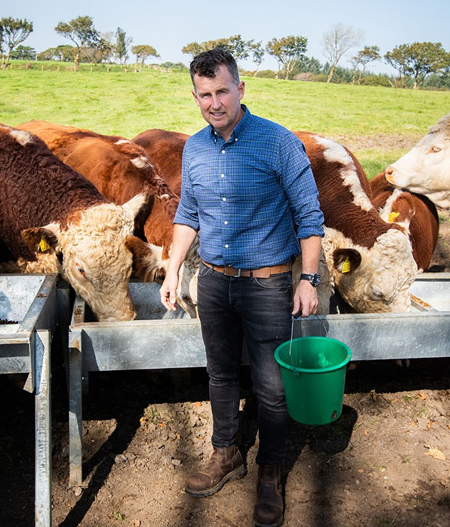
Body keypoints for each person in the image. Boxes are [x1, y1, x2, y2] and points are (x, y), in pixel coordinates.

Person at [159, 48, 325, 527]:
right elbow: (188, 214)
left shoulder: (278, 142)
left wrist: (308, 278)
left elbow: (309, 215)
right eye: (205, 94)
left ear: (241, 90)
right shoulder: (194, 147)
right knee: (220, 374)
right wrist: (173, 269)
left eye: (222, 91)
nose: (215, 103)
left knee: (271, 387)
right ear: (196, 96)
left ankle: (271, 473)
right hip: (212, 280)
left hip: (267, 283)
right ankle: (225, 453)